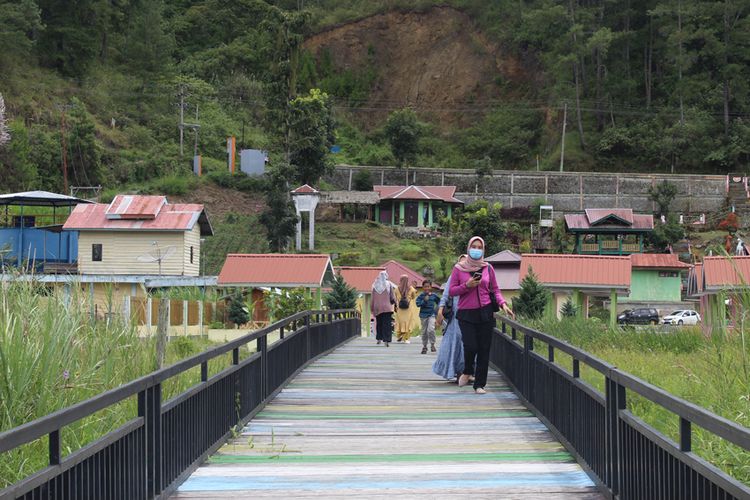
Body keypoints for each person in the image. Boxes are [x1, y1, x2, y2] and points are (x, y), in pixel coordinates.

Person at [449, 236, 514, 394]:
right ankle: (467, 370)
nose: (476, 250)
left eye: (479, 247)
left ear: (483, 250)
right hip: (466, 313)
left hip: (485, 312)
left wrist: (503, 304)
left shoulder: (488, 268)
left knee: (484, 349)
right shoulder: (459, 268)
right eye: (474, 246)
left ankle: (479, 384)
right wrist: (467, 285)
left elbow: (495, 289)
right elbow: (452, 291)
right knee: (470, 346)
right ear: (468, 248)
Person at [432, 272, 466, 382]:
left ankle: (465, 372)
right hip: (455, 317)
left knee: (466, 343)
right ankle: (457, 371)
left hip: (470, 315)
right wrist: (440, 311)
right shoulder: (454, 276)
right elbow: (446, 295)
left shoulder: (472, 275)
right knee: (455, 343)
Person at [371, 270, 396, 347]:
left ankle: (379, 338)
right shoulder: (388, 284)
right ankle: (387, 340)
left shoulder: (374, 285)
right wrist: (394, 302)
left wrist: (372, 308)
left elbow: (372, 298)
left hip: (377, 307)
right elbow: (392, 296)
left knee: (379, 323)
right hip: (387, 307)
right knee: (387, 324)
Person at [415, 279, 440, 354]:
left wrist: (437, 310)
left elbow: (440, 302)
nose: (427, 288)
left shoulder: (434, 295)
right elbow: (418, 304)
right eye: (425, 287)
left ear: (431, 287)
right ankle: (425, 346)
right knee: (424, 332)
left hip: (431, 314)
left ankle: (432, 344)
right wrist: (424, 301)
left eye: (428, 286)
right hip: (423, 315)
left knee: (431, 329)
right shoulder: (421, 296)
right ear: (423, 287)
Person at [394, 275, 418, 343]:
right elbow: (413, 297)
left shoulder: (396, 289)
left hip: (400, 309)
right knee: (408, 323)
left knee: (400, 322)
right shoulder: (411, 289)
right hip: (408, 309)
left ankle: (400, 335)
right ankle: (406, 338)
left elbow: (395, 297)